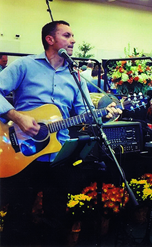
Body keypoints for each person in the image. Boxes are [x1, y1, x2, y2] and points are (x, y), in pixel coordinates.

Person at [0, 20, 121, 246]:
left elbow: (84, 112)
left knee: (56, 216)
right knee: (19, 215)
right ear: (50, 39)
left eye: (73, 35)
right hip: (21, 153)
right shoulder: (24, 66)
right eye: (67, 35)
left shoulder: (75, 75)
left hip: (59, 154)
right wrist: (17, 116)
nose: (73, 39)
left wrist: (103, 114)